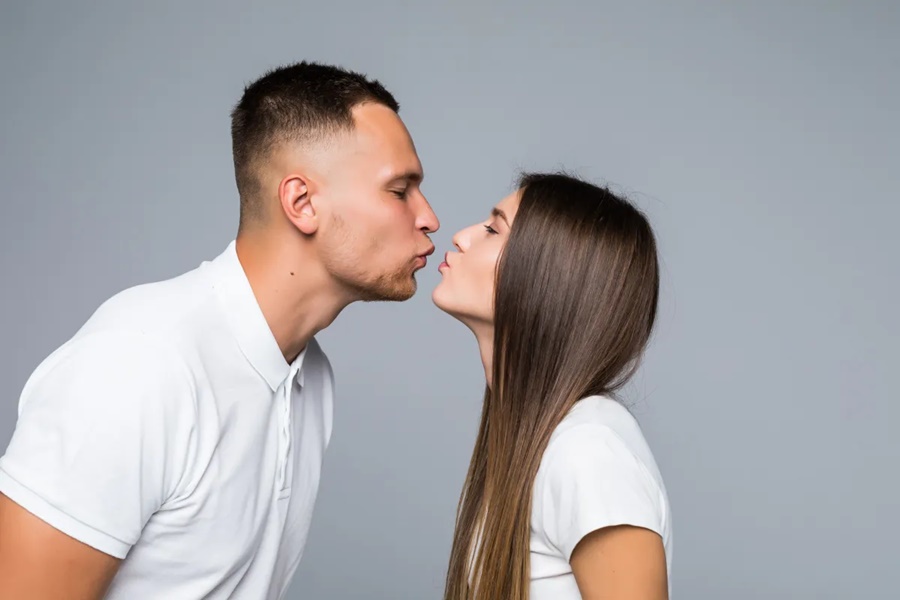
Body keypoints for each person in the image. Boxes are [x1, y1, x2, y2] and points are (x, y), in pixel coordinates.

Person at [0, 61, 438, 599]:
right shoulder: (139, 364)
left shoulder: (311, 377)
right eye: (400, 190)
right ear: (302, 203)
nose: (428, 218)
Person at [433, 172, 672, 600]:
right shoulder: (537, 439)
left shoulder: (587, 448)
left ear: (550, 277)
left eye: (492, 230)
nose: (461, 237)